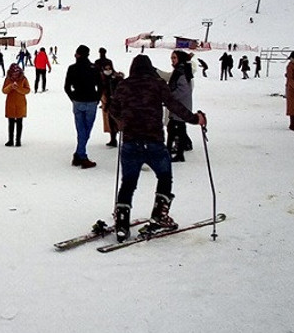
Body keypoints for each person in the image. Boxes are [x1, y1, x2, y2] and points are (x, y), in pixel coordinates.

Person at [109, 54, 207, 242]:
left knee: (128, 182)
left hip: (131, 141)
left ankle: (121, 222)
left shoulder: (124, 85)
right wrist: (195, 119)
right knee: (164, 176)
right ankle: (159, 215)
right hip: (153, 141)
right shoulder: (157, 84)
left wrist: (123, 121)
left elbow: (112, 109)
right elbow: (175, 106)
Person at [64, 44, 102, 169]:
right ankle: (82, 156)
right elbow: (100, 85)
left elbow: (67, 87)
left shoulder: (72, 68)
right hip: (91, 101)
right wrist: (97, 98)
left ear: (78, 54)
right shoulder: (94, 68)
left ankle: (78, 154)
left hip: (78, 101)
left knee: (81, 130)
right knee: (86, 130)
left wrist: (73, 98)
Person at [165, 50, 195, 161]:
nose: (172, 60)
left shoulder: (181, 71)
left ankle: (175, 153)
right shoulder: (182, 69)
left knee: (174, 128)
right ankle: (176, 152)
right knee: (176, 128)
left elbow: (183, 90)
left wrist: (170, 97)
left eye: (174, 58)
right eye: (171, 58)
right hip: (180, 105)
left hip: (180, 105)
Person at [2, 62, 31, 146]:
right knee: (11, 123)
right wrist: (10, 86)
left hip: (20, 104)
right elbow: (4, 91)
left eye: (17, 73)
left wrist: (18, 88)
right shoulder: (8, 79)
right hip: (10, 104)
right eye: (13, 73)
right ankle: (10, 140)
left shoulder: (23, 79)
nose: (15, 75)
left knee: (19, 122)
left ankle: (18, 140)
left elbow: (27, 90)